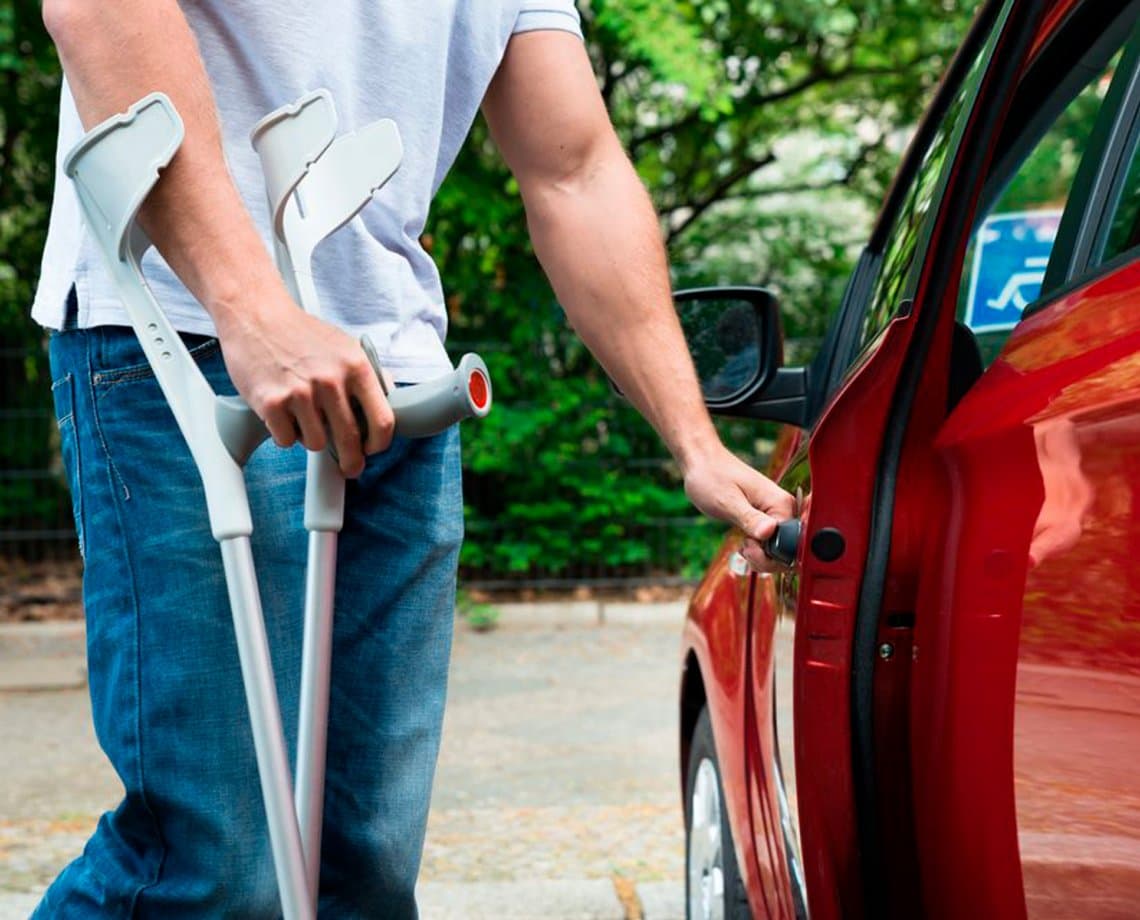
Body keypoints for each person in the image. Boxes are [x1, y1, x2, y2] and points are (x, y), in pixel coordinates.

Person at [33, 0, 795, 916]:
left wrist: (694, 439)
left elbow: (574, 169)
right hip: (186, 339)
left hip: (396, 379)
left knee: (361, 871)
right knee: (213, 868)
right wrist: (253, 308)